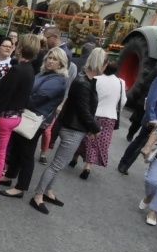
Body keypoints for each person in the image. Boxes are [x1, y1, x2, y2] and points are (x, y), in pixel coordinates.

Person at [30, 48, 107, 214]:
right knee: (57, 164)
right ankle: (38, 195)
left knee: (60, 163)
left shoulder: (85, 80)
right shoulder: (83, 82)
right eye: (105, 64)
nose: (106, 67)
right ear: (100, 64)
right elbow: (84, 111)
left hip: (74, 127)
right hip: (73, 129)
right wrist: (95, 128)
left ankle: (48, 191)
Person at [0, 47, 68, 199]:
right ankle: (9, 176)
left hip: (35, 120)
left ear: (61, 64)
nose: (50, 61)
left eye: (54, 59)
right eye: (49, 58)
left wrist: (19, 99)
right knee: (17, 147)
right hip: (28, 116)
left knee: (26, 153)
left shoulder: (57, 81)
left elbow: (36, 99)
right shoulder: (44, 74)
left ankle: (21, 187)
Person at [0, 35, 36, 205]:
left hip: (3, 118)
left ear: (19, 48)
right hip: (15, 116)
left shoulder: (17, 70)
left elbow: (3, 96)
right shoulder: (29, 69)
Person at [118, 55, 157, 175]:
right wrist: (152, 117)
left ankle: (155, 173)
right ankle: (124, 163)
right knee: (141, 142)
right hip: (155, 121)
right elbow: (151, 100)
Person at [71, 59, 126, 179]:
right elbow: (122, 101)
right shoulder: (121, 82)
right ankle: (88, 166)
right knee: (100, 142)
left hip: (94, 114)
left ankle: (74, 158)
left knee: (85, 138)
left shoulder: (96, 79)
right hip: (110, 117)